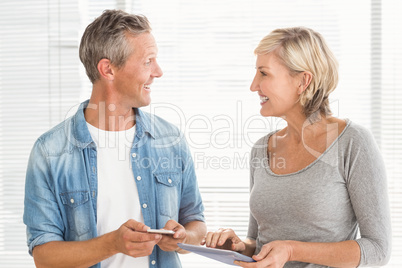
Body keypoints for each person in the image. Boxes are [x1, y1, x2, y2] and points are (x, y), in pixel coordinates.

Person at [23, 9, 206, 268]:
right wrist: (112, 244)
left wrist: (184, 237)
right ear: (108, 69)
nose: (158, 71)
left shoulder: (170, 140)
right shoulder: (50, 152)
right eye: (148, 61)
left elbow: (196, 222)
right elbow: (44, 255)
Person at [203, 27, 391, 267]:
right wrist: (241, 246)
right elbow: (259, 240)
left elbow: (377, 249)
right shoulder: (262, 148)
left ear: (303, 80)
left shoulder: (353, 142)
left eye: (264, 74)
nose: (253, 86)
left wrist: (292, 250)